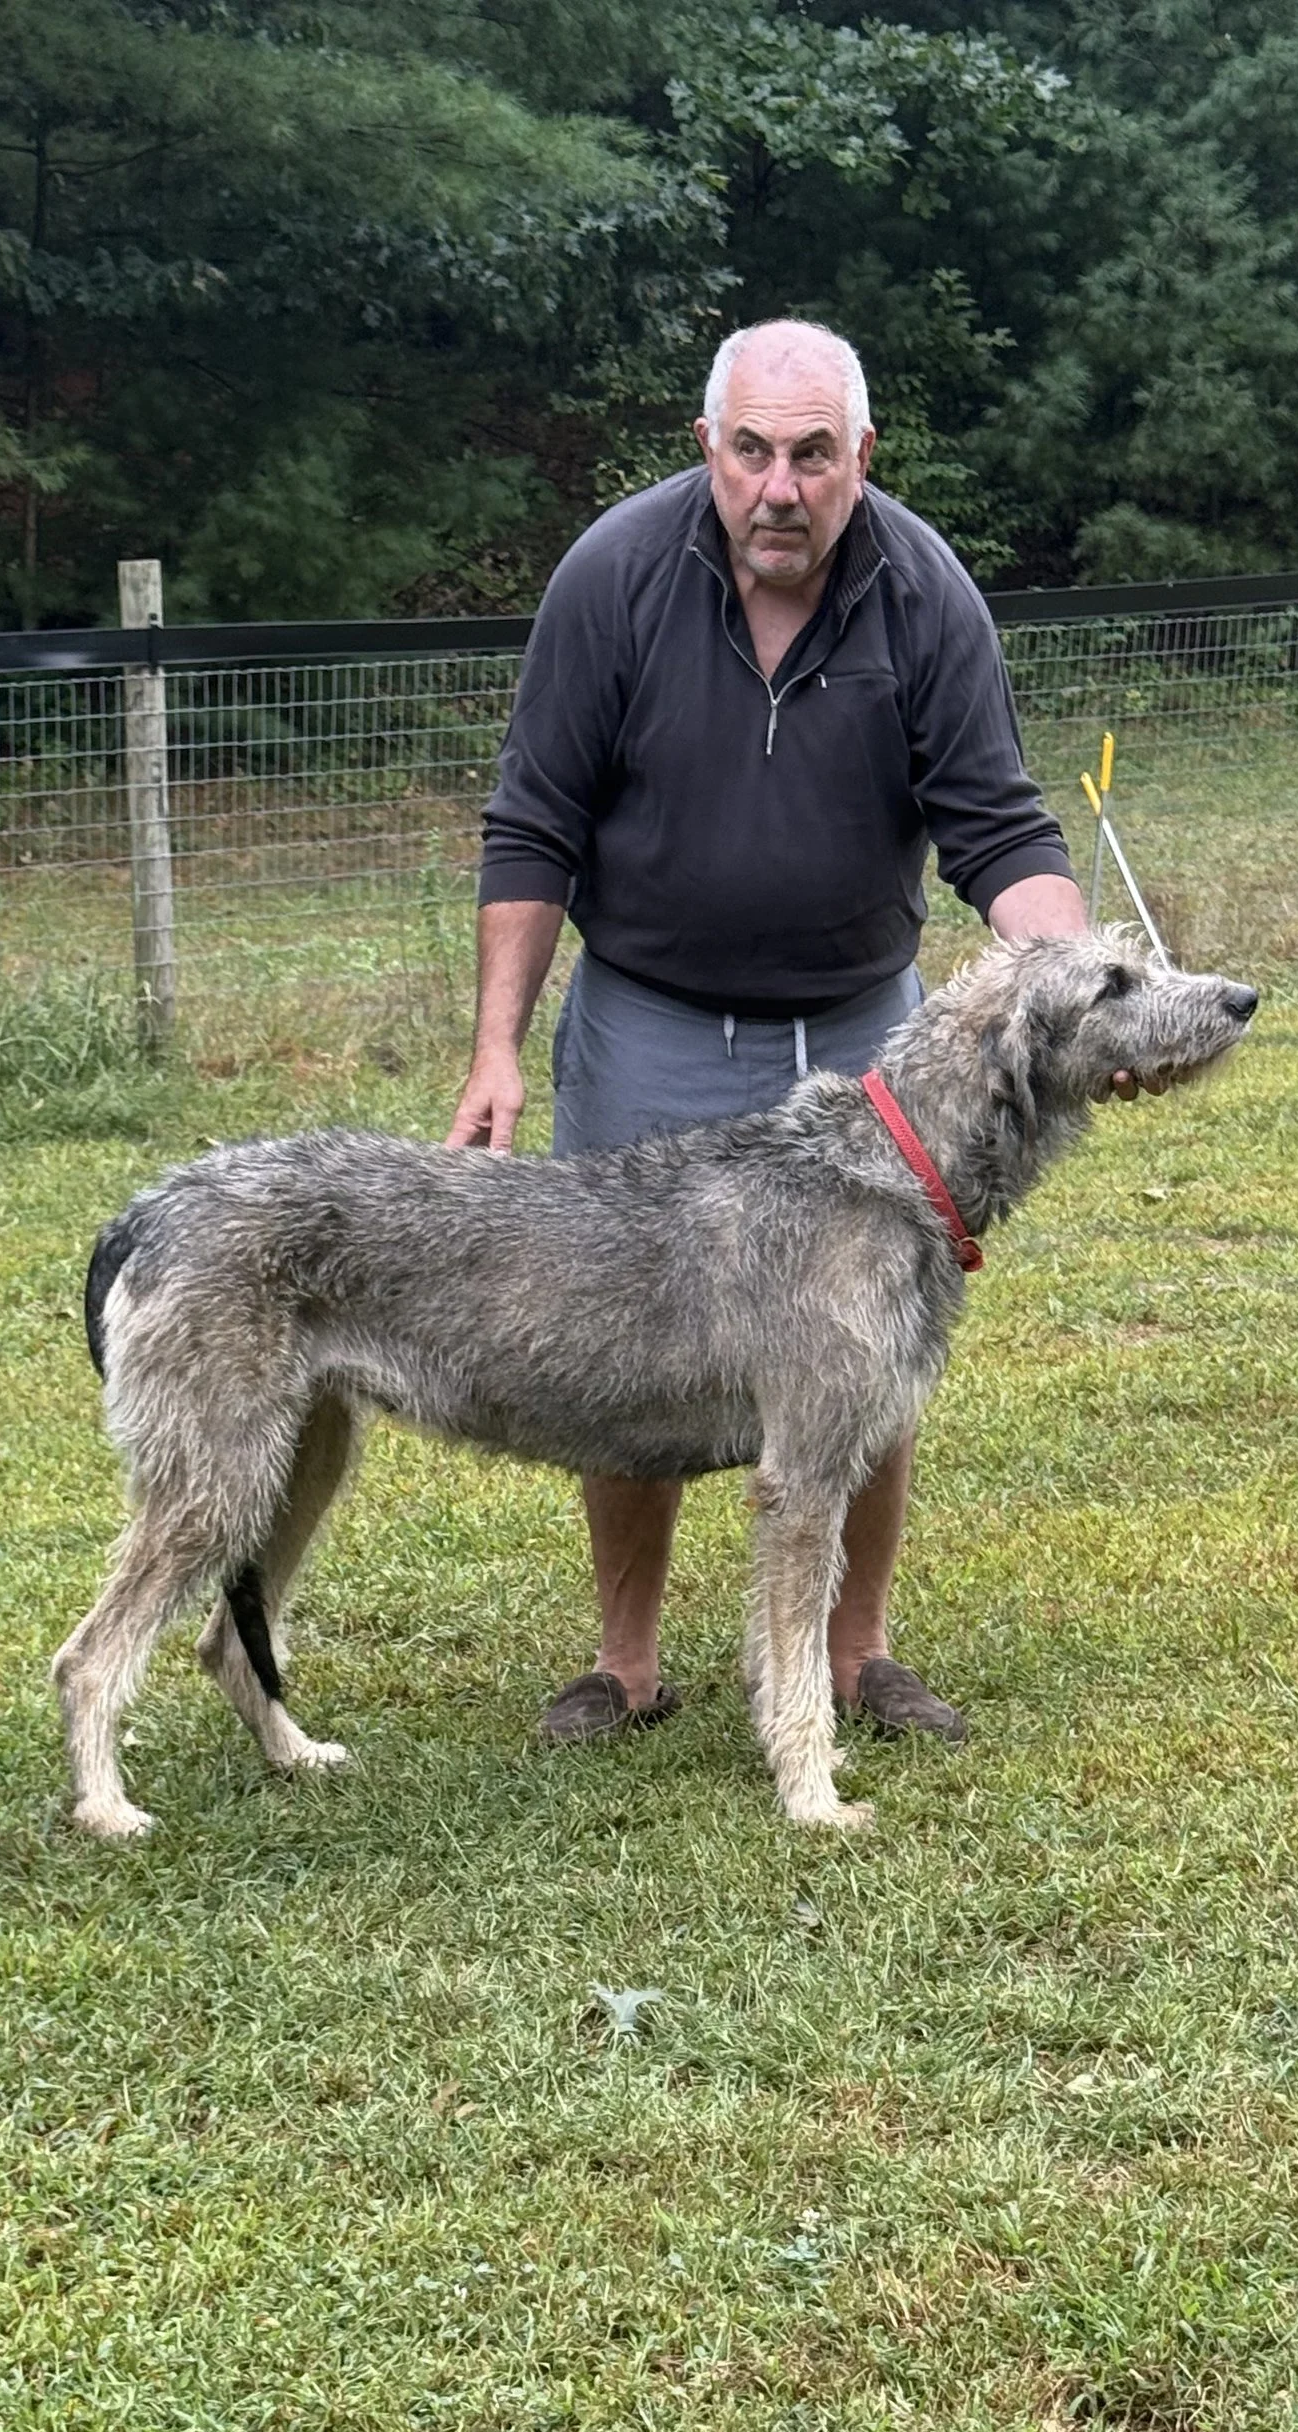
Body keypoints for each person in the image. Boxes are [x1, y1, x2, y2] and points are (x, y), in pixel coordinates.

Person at [448, 316, 1102, 1747]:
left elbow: (999, 827)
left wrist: (1076, 983)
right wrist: (497, 1049)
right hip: (648, 1019)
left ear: (864, 456)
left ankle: (857, 1655)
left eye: (814, 456)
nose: (781, 490)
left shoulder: (925, 593)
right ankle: (625, 1664)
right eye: (751, 453)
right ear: (708, 448)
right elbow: (533, 822)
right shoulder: (613, 575)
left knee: (869, 1346)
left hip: (862, 1038)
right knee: (619, 1335)